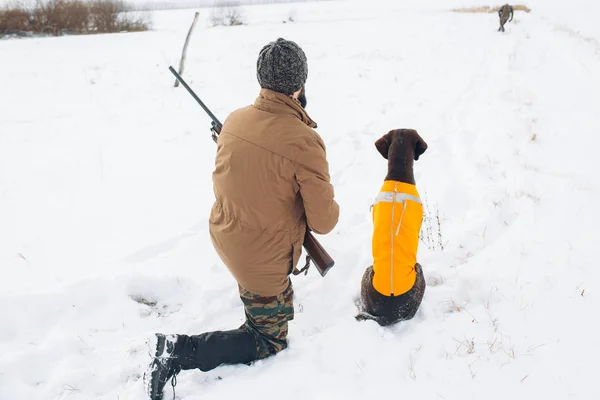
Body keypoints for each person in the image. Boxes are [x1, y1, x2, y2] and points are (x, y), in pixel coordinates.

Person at [145, 38, 340, 400]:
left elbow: (250, 171)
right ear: (300, 84)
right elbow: (325, 221)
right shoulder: (304, 140)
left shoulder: (235, 120)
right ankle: (177, 350)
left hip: (227, 236)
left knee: (271, 300)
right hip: (257, 256)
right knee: (269, 339)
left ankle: (268, 298)